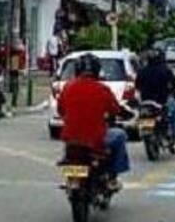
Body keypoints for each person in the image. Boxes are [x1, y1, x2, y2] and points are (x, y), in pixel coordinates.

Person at [55, 53, 131, 191]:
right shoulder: (102, 89)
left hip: (71, 139)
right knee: (120, 135)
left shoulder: (68, 87)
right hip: (96, 139)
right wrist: (124, 114)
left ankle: (72, 179)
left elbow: (60, 110)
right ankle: (113, 178)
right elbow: (115, 109)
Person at [136, 50, 175, 140]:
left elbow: (137, 85)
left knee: (144, 115)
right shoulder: (165, 70)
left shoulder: (142, 71)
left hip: (146, 101)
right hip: (161, 101)